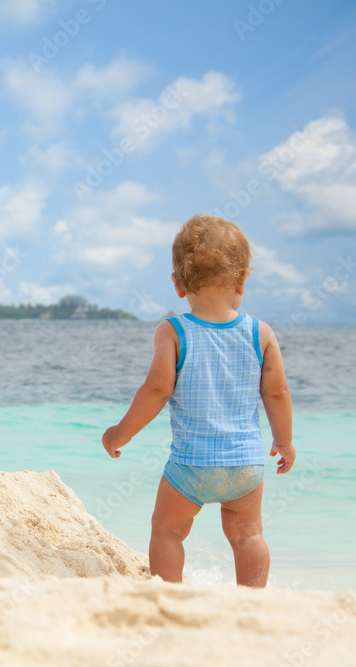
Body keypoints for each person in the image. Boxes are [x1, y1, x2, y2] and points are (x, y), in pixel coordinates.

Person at [101, 213, 295, 588]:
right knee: (248, 536)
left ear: (178, 285)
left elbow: (156, 391)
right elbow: (277, 392)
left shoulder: (172, 331)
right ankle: (252, 602)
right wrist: (284, 441)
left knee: (168, 532)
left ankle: (169, 595)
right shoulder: (260, 333)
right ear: (242, 280)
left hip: (191, 467)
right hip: (245, 466)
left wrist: (120, 434)